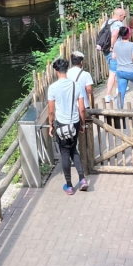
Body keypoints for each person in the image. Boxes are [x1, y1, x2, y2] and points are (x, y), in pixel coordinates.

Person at [47, 57, 89, 195]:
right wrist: (82, 124)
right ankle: (82, 179)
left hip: (62, 124)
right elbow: (81, 108)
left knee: (65, 153)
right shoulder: (76, 85)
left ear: (55, 71)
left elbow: (51, 111)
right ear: (66, 69)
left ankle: (69, 186)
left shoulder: (52, 88)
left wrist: (51, 125)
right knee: (74, 150)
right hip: (75, 123)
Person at [95, 7, 126, 103]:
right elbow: (114, 34)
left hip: (105, 50)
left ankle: (118, 89)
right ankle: (108, 95)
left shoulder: (106, 22)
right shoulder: (119, 24)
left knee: (114, 70)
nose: (124, 18)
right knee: (112, 73)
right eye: (124, 17)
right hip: (114, 52)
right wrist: (113, 47)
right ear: (120, 16)